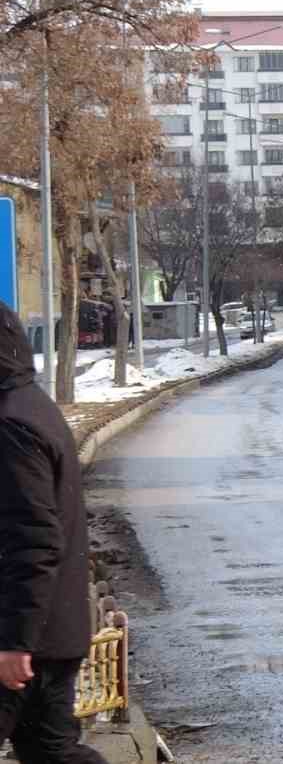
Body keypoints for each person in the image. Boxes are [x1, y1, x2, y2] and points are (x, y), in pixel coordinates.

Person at [0, 301, 110, 764]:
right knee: (51, 752)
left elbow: (34, 538)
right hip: (52, 627)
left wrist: (15, 641)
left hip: (27, 641)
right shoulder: (30, 405)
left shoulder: (10, 424)